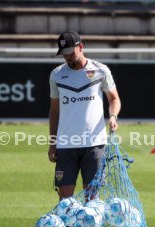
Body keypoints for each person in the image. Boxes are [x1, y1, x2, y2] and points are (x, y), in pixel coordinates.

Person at [48, 31, 121, 200]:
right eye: (64, 54)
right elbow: (54, 111)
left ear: (81, 47)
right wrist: (53, 142)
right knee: (65, 201)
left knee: (92, 200)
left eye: (70, 53)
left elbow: (114, 99)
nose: (67, 58)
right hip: (66, 143)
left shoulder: (100, 70)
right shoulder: (56, 74)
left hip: (94, 143)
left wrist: (113, 116)